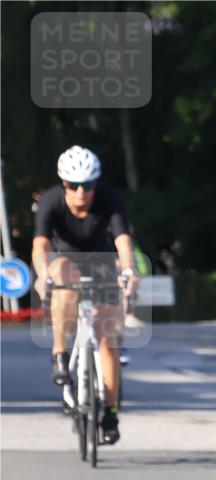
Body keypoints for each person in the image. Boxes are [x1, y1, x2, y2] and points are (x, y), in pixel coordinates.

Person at [32, 146, 139, 444]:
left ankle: (111, 411)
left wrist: (129, 270)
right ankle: (60, 354)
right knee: (63, 281)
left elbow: (123, 240)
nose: (81, 192)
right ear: (63, 184)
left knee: (108, 343)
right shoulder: (51, 201)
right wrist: (42, 274)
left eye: (88, 185)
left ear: (96, 183)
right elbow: (40, 246)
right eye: (73, 185)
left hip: (102, 260)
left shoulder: (109, 198)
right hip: (64, 259)